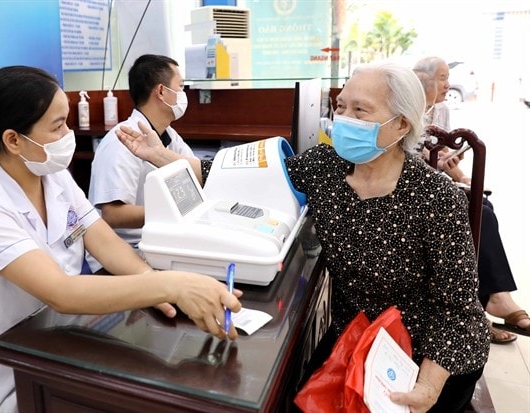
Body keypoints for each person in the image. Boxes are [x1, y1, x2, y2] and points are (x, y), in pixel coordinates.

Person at [115, 62, 491, 413]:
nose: (344, 120)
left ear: (401, 126)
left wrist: (426, 387)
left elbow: (457, 310)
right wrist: (158, 154)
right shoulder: (326, 167)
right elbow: (222, 175)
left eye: (360, 111)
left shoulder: (436, 199)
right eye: (341, 106)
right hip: (356, 336)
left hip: (428, 354)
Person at [0, 65, 242, 413]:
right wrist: (173, 285)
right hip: (5, 376)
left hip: (57, 343)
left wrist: (156, 283)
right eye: (58, 125)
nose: (69, 134)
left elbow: (103, 241)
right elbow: (61, 292)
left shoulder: (55, 178)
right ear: (14, 140)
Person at [414, 56, 530, 342]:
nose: (447, 84)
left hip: (434, 181)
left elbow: (439, 155)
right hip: (419, 189)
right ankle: (486, 305)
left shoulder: (439, 111)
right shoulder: (406, 112)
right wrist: (441, 167)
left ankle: (487, 302)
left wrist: (459, 174)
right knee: (482, 215)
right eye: (441, 78)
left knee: (484, 207)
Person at [88, 54, 196, 255]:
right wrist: (170, 212)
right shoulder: (121, 141)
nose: (183, 93)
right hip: (126, 249)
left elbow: (195, 178)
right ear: (162, 92)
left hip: (162, 238)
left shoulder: (169, 135)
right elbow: (113, 215)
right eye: (180, 87)